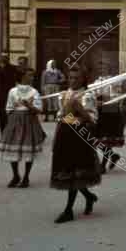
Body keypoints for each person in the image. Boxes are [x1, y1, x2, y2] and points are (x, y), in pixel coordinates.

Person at [50, 65, 101, 223]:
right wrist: (65, 113)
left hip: (80, 137)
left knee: (75, 172)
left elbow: (93, 120)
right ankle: (89, 196)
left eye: (76, 78)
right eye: (70, 77)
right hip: (64, 135)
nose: (72, 81)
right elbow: (59, 116)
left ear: (83, 79)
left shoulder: (88, 96)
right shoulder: (64, 94)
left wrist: (81, 111)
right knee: (69, 172)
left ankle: (68, 210)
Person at [0, 68, 45, 188]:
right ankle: (15, 175)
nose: (32, 78)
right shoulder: (12, 91)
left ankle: (26, 177)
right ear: (22, 77)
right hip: (15, 121)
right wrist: (13, 119)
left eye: (32, 76)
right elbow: (8, 108)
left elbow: (39, 109)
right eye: (29, 75)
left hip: (30, 121)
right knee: (14, 148)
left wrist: (30, 106)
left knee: (28, 149)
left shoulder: (34, 92)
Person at [0, 53, 19, 135]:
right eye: (2, 57)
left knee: (11, 114)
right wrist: (2, 69)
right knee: (2, 115)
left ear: (8, 59)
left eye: (5, 57)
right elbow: (0, 80)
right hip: (1, 95)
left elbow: (17, 79)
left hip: (11, 94)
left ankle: (11, 133)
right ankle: (3, 134)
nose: (3, 59)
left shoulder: (13, 68)